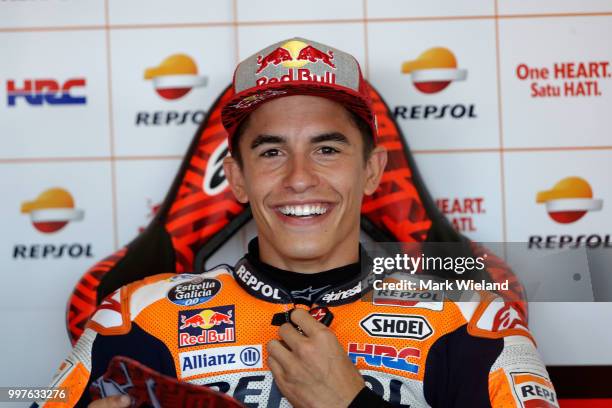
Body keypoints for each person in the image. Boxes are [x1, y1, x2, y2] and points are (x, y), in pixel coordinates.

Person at [33, 37, 558, 408]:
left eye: (327, 149)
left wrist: (351, 405)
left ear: (372, 170)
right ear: (236, 179)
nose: (300, 178)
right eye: (271, 152)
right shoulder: (139, 315)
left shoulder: (472, 320)